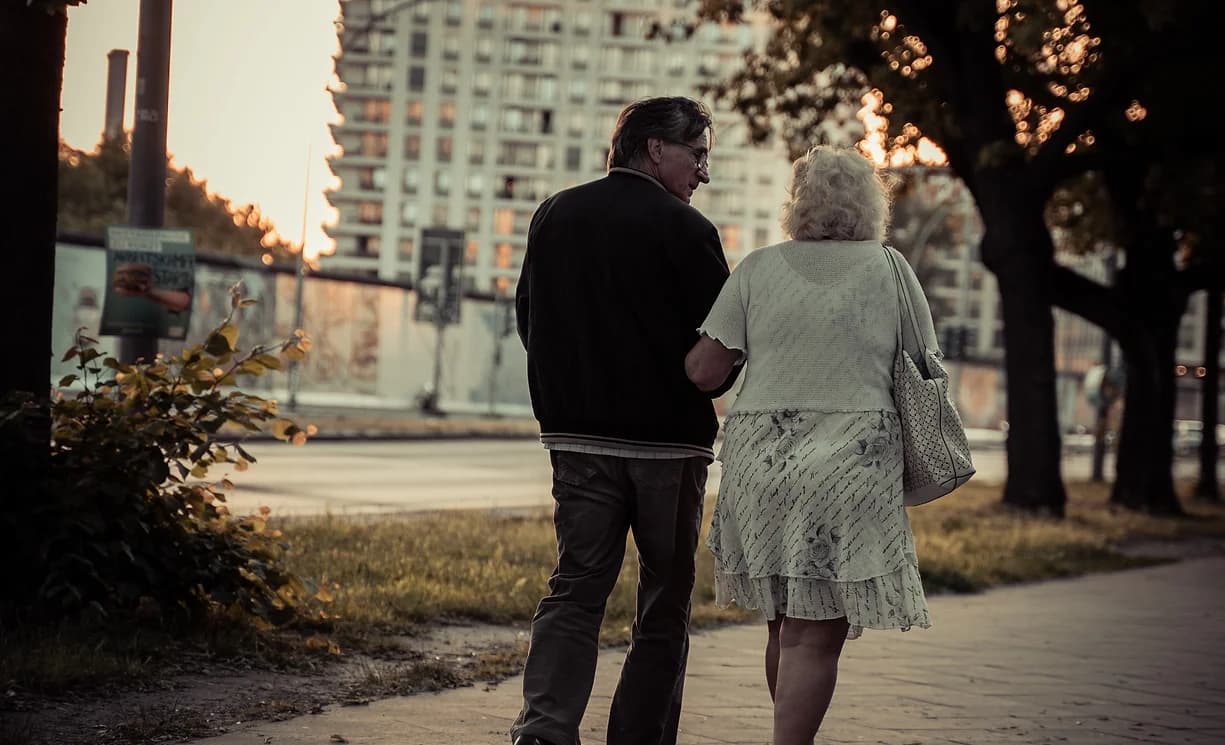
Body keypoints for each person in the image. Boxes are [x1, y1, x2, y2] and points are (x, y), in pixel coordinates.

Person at [684, 145, 935, 745]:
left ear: (797, 204)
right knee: (815, 634)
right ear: (870, 205)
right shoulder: (890, 269)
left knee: (784, 628)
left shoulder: (758, 268)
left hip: (762, 461)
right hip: (851, 464)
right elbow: (924, 363)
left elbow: (702, 369)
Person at [511, 96, 739, 745]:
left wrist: (575, 389)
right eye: (697, 154)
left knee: (576, 585)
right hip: (668, 449)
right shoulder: (687, 231)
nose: (702, 172)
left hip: (577, 439)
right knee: (663, 601)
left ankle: (545, 728)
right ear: (652, 147)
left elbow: (531, 319)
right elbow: (716, 353)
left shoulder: (554, 214)